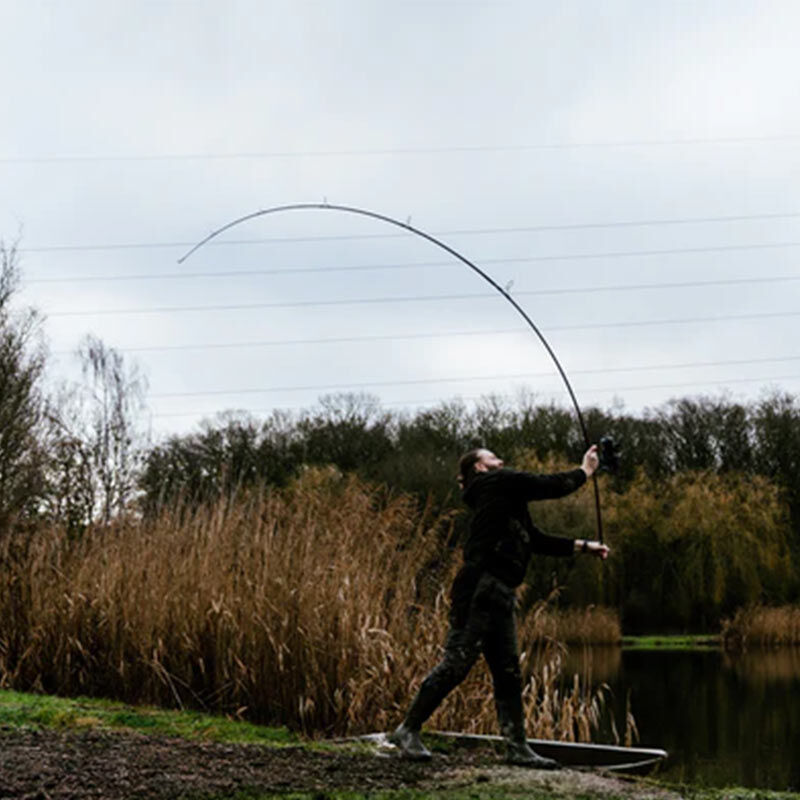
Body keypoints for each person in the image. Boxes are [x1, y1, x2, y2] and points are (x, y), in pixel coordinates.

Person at [388, 445, 610, 768]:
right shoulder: (495, 483)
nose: (501, 462)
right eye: (493, 458)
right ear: (479, 468)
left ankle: (516, 747)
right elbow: (547, 485)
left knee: (508, 672)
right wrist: (585, 471)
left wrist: (585, 547)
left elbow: (535, 539)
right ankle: (407, 730)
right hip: (480, 588)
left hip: (501, 592)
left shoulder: (505, 501)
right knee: (458, 663)